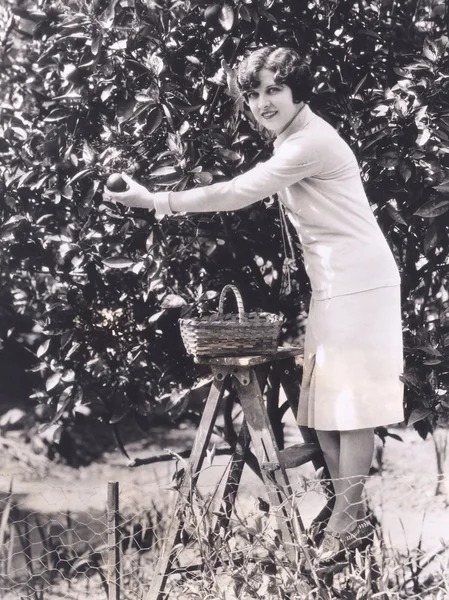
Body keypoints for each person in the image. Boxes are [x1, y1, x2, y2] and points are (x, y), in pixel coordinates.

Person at [103, 46, 404, 566]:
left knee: (351, 410)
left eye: (274, 90)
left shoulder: (308, 143)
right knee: (328, 408)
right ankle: (346, 517)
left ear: (297, 91)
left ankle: (346, 518)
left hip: (360, 282)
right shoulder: (294, 136)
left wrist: (155, 201)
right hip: (337, 282)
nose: (263, 102)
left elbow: (239, 192)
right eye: (254, 93)